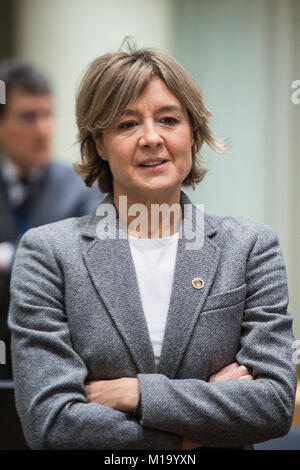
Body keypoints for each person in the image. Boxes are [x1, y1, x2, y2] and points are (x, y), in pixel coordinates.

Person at [8, 44, 297, 450]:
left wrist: (138, 395)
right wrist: (193, 432)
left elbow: (273, 405)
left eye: (168, 119)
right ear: (100, 144)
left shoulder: (250, 247)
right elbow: (51, 424)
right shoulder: (47, 254)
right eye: (127, 124)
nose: (150, 138)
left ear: (191, 133)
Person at [0, 59, 104, 379]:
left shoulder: (83, 187)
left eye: (48, 115)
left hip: (58, 363)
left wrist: (6, 257)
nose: (43, 130)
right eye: (28, 117)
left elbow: (81, 267)